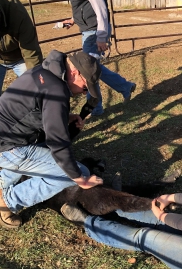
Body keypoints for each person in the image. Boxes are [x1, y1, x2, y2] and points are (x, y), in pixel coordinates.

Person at [0, 49, 104, 229]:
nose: (81, 92)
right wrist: (80, 179)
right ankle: (7, 201)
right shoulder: (56, 89)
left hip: (8, 136)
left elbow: (34, 110)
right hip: (9, 148)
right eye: (85, 87)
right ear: (75, 73)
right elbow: (58, 142)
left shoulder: (43, 71)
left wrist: (64, 116)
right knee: (79, 172)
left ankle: (3, 180)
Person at [63, 0, 136, 116]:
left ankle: (96, 110)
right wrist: (74, 19)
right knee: (93, 68)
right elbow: (85, 1)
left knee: (88, 71)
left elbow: (99, 4)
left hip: (94, 30)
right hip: (90, 29)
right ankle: (125, 87)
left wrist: (101, 36)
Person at [0, 0, 43, 94]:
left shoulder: (16, 13)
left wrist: (36, 78)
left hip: (20, 57)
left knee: (32, 89)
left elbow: (31, 52)